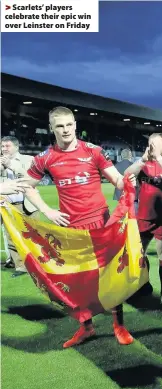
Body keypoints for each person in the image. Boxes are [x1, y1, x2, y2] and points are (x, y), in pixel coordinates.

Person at [21, 106, 135, 348]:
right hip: (71, 230)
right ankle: (87, 328)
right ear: (51, 128)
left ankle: (119, 325)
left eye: (69, 125)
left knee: (110, 275)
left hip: (100, 223)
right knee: (78, 281)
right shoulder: (45, 158)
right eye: (60, 126)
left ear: (75, 125)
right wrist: (47, 210)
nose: (65, 130)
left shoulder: (93, 151)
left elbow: (116, 179)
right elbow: (28, 186)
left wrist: (129, 181)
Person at [125, 133, 162, 305]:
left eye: (156, 145)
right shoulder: (144, 165)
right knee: (138, 255)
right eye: (150, 144)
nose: (152, 148)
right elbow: (127, 175)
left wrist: (158, 157)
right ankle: (145, 286)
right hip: (143, 218)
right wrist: (143, 159)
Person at [0, 137, 39, 277]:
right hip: (8, 204)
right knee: (12, 236)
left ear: (16, 147)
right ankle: (20, 266)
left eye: (7, 146)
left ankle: (39, 263)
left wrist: (10, 164)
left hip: (27, 203)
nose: (4, 149)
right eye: (2, 146)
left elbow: (31, 179)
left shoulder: (28, 159)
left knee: (33, 234)